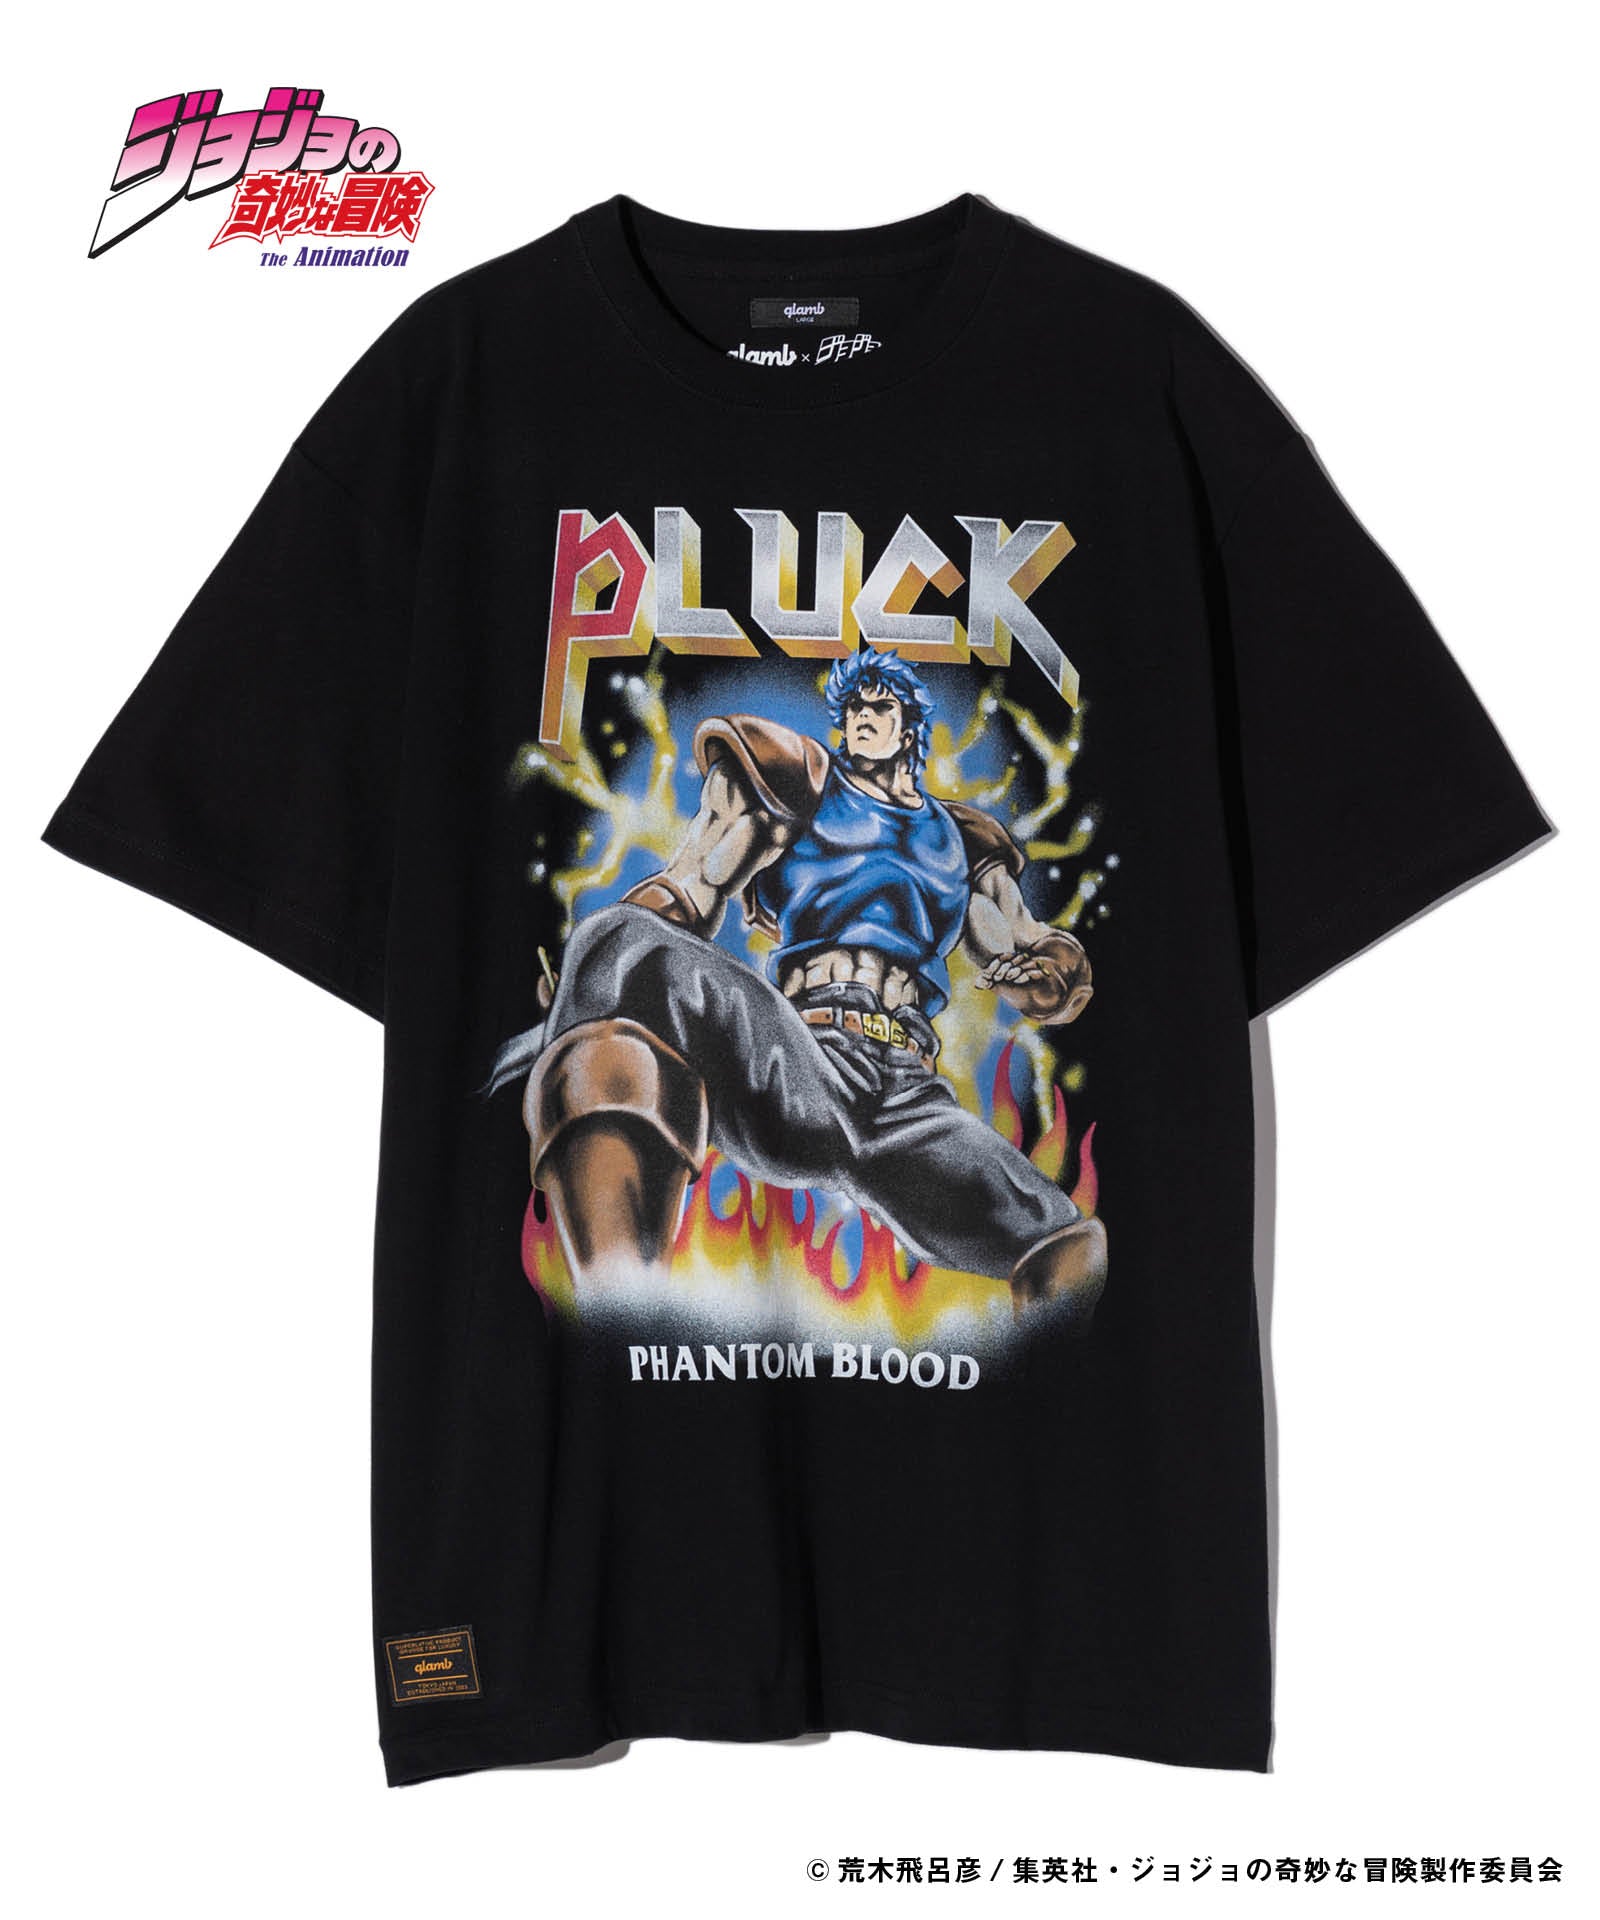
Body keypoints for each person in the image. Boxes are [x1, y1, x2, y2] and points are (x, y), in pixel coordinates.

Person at [503, 649, 1108, 1323]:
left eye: (878, 707)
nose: (862, 720)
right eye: (853, 709)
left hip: (911, 1099)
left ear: (910, 724)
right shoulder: (798, 777)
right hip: (806, 1063)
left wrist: (1050, 979)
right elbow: (695, 878)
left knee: (1066, 1241)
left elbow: (1020, 948)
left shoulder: (964, 840)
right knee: (620, 941)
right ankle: (616, 1320)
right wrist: (596, 990)